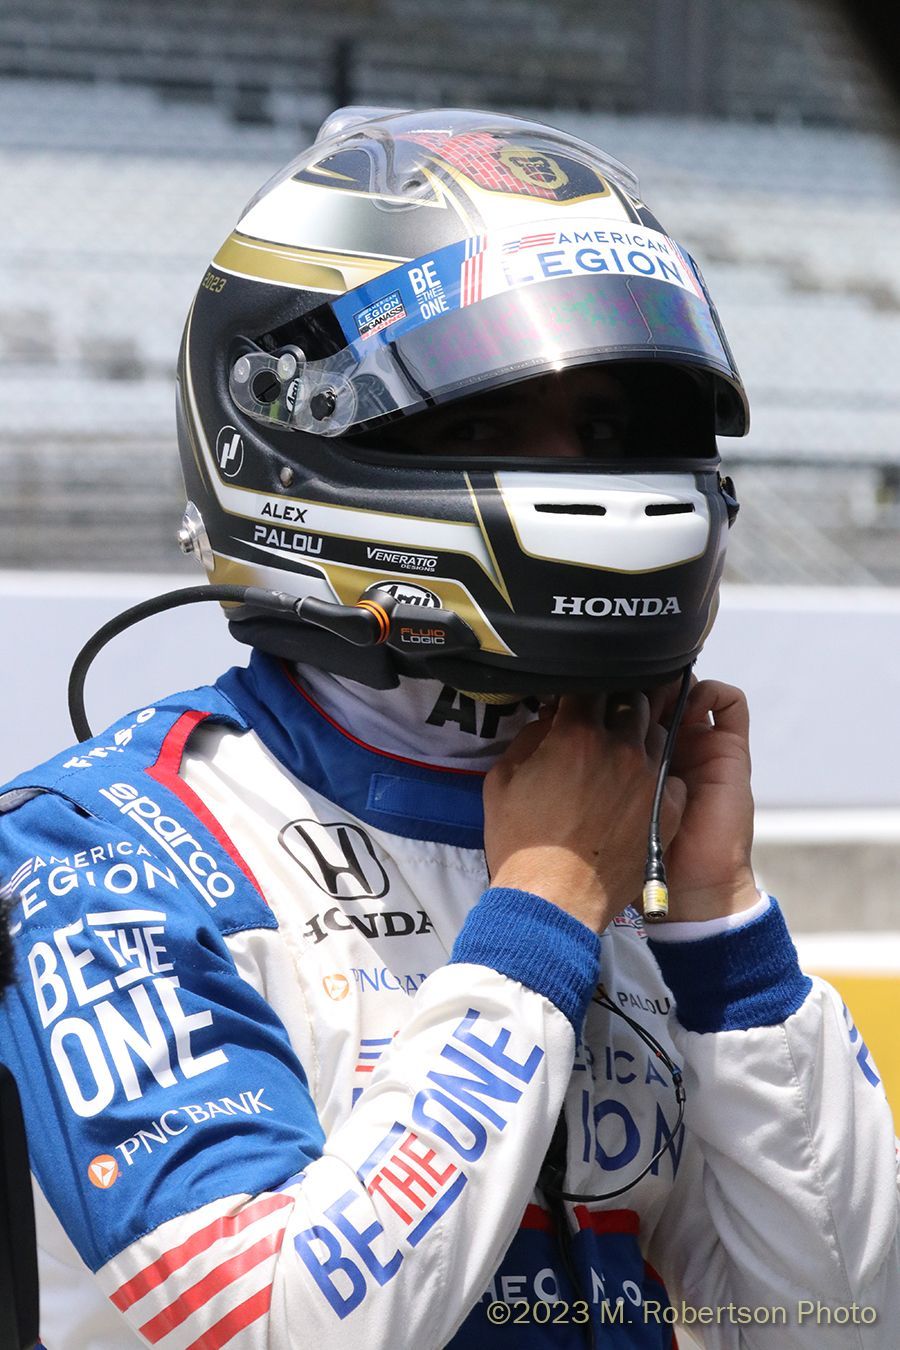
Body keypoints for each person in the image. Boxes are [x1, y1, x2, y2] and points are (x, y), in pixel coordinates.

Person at [0, 107, 896, 1349]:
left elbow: (837, 1322)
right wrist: (537, 923)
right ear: (290, 432)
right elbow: (266, 1326)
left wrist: (724, 935)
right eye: (480, 425)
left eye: (607, 431)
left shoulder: (627, 843)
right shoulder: (105, 852)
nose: (585, 476)